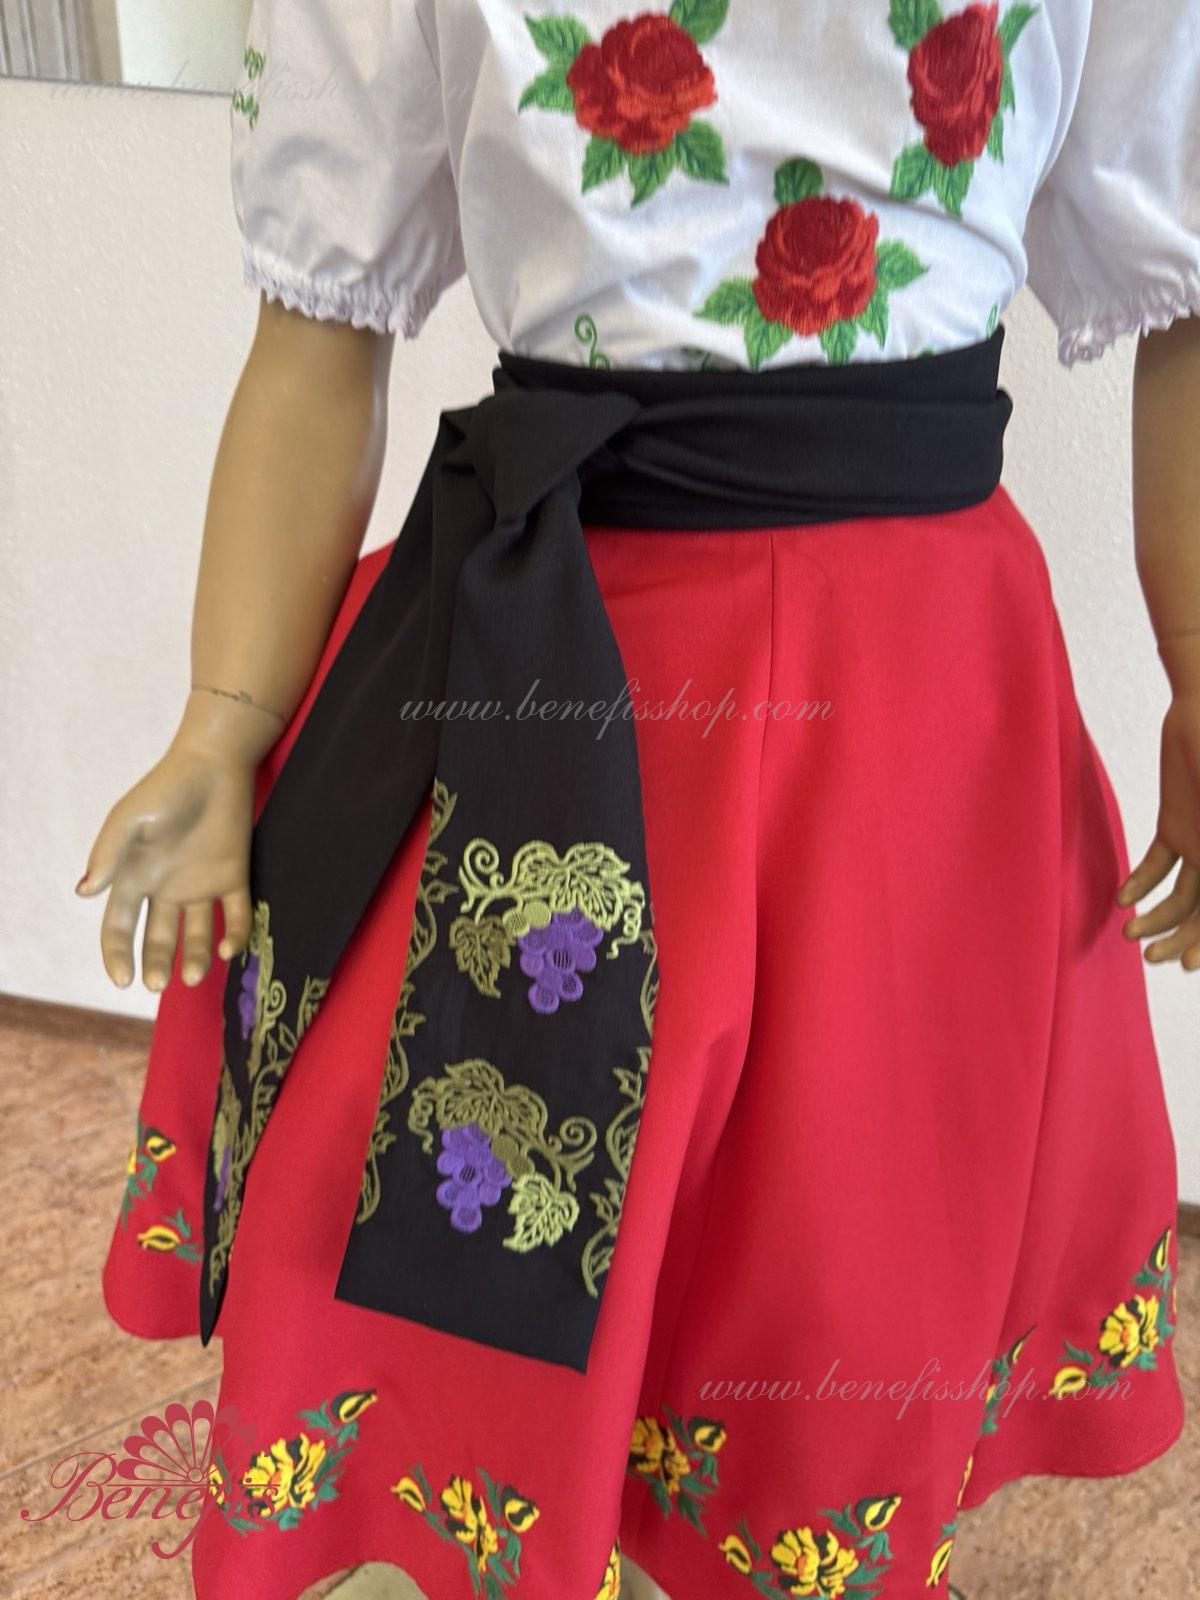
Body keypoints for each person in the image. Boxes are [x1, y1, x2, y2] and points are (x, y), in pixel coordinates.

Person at [83, 2, 1197, 1596]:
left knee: (843, 1216)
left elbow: (1185, 294)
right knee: (460, 1172)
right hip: (562, 655)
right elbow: (317, 337)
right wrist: (222, 725)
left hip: (912, 689)